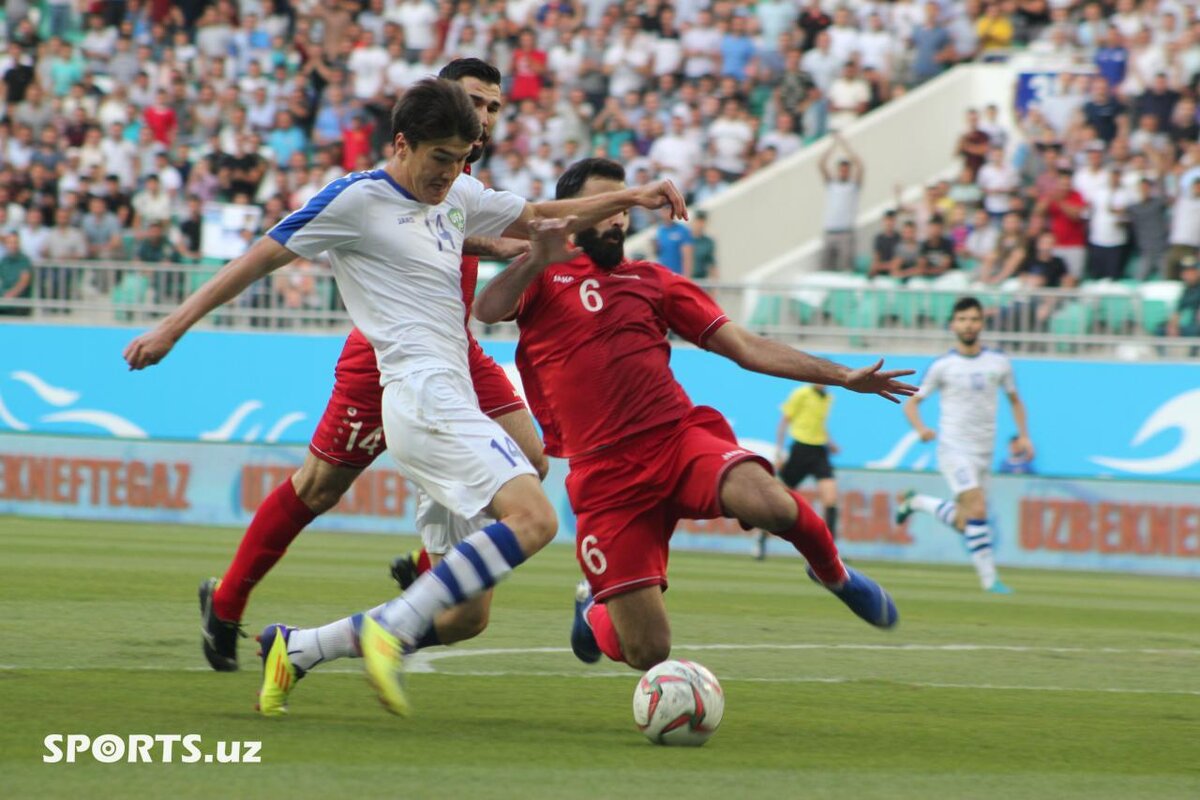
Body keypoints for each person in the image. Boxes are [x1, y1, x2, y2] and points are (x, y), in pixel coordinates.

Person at [123, 79, 688, 717]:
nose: (451, 174)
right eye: (440, 159)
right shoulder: (356, 199)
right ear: (401, 144)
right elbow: (257, 259)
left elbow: (536, 216)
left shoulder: (459, 194)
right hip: (419, 393)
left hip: (450, 396)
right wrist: (171, 327)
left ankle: (299, 648)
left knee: (467, 616)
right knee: (533, 517)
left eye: (462, 159)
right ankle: (379, 630)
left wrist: (634, 198)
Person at [473, 158, 914, 672]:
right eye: (606, 206)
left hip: (676, 440)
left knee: (770, 502)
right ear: (576, 213)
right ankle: (593, 607)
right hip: (605, 477)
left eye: (623, 209)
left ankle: (833, 574)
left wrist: (842, 376)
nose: (618, 219)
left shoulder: (654, 281)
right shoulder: (543, 275)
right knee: (647, 651)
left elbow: (746, 347)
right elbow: (487, 309)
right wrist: (532, 259)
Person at [895, 296, 1033, 594]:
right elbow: (911, 404)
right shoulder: (943, 366)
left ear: (982, 323)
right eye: (963, 319)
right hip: (954, 448)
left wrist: (1024, 435)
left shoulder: (999, 362)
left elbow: (1015, 400)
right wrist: (921, 429)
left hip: (985, 449)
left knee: (964, 521)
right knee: (979, 508)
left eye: (973, 319)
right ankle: (990, 580)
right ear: (952, 324)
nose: (968, 325)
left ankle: (915, 502)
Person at [764, 382, 839, 560]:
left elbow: (819, 424)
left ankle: (830, 552)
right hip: (800, 450)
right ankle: (761, 538)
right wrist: (779, 451)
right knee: (778, 499)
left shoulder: (828, 398)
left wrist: (830, 443)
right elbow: (784, 420)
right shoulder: (801, 393)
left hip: (819, 451)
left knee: (831, 499)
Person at [819, 131, 863, 272]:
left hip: (846, 232)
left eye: (846, 170)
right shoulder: (832, 185)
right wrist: (833, 145)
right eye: (841, 170)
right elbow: (821, 164)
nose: (843, 172)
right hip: (830, 230)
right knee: (826, 267)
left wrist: (845, 146)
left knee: (846, 267)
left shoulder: (853, 186)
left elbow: (860, 166)